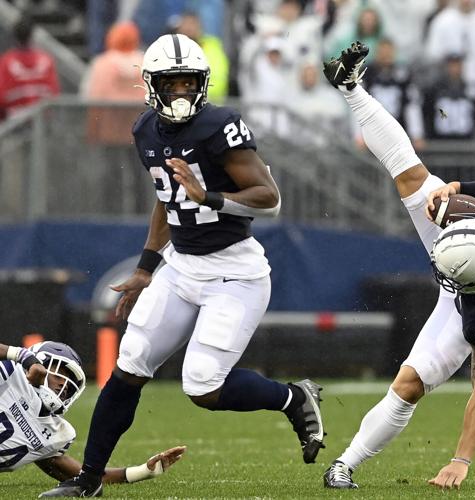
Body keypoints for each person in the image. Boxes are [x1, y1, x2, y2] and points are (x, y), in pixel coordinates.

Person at [39, 33, 325, 497]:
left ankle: (292, 396)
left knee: (203, 388)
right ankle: (88, 479)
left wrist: (207, 194)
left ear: (202, 83)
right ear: (152, 86)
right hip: (180, 266)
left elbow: (269, 198)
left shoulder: (220, 126)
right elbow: (166, 200)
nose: (180, 93)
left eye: (188, 83)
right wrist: (146, 268)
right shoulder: (144, 129)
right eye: (170, 84)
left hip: (235, 271)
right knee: (129, 366)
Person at [321, 42, 475, 490]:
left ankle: (344, 463)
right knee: (412, 175)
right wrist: (457, 186)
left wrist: (461, 460)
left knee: (409, 384)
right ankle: (351, 87)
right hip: (472, 238)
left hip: (464, 300)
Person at [0, 341, 184, 485]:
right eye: (59, 376)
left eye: (69, 386)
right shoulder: (10, 373)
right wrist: (21, 355)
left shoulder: (55, 433)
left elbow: (89, 476)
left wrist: (144, 471)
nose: (63, 388)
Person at [0, 18, 60, 120]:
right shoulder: (46, 59)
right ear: (32, 35)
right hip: (41, 121)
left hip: (15, 121)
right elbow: (54, 92)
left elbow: (1, 96)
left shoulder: (6, 61)